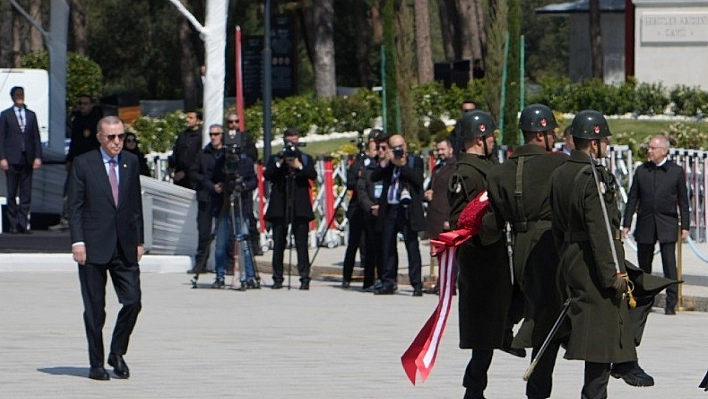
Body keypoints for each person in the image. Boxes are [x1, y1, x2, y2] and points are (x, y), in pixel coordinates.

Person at [549, 110, 636, 399]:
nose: (607, 145)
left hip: (570, 257)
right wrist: (613, 275)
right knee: (600, 338)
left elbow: (557, 225)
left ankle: (627, 363)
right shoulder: (593, 176)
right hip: (594, 264)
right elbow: (601, 231)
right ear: (595, 142)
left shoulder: (560, 171)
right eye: (605, 140)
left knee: (594, 334)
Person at [486, 104, 568, 399]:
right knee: (550, 320)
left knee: (541, 311)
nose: (555, 136)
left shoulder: (500, 172)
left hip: (518, 245)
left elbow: (491, 222)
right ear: (542, 133)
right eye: (552, 131)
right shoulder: (559, 164)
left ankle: (515, 333)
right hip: (550, 246)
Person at [67, 116, 144, 381]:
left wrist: (139, 241)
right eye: (111, 137)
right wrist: (78, 242)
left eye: (121, 136)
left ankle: (117, 352)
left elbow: (135, 205)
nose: (117, 142)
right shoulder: (83, 163)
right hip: (93, 246)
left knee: (133, 300)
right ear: (100, 137)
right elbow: (74, 206)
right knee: (95, 309)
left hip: (124, 245)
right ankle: (96, 363)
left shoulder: (131, 162)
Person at [447, 110, 512, 399]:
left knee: (494, 324)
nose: (494, 141)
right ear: (478, 138)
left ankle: (475, 384)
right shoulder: (466, 172)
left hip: (494, 254)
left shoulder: (487, 167)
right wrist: (495, 223)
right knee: (483, 331)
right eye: (490, 136)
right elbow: (460, 219)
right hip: (479, 258)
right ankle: (474, 388)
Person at [622, 134, 690, 316]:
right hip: (646, 223)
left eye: (653, 148)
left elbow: (683, 201)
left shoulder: (675, 171)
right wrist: (626, 223)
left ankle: (671, 303)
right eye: (649, 147)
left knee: (669, 264)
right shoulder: (642, 170)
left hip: (667, 223)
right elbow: (633, 198)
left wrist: (685, 226)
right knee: (644, 266)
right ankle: (644, 301)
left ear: (664, 151)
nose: (649, 151)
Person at [371, 134, 426, 296]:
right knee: (388, 246)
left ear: (405, 145)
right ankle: (389, 282)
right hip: (390, 208)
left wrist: (402, 165)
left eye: (400, 146)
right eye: (394, 147)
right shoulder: (388, 164)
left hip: (407, 209)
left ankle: (416, 283)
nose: (398, 150)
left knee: (411, 246)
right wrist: (386, 163)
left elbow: (418, 181)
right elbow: (374, 177)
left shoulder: (414, 161)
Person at [205, 126, 258, 290]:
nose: (232, 156)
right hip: (224, 203)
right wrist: (216, 187)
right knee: (220, 243)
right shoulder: (220, 161)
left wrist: (243, 185)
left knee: (243, 240)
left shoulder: (247, 162)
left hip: (240, 203)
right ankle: (219, 276)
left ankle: (249, 276)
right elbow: (209, 178)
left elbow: (253, 181)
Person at [264, 128, 317, 290]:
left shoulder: (305, 158)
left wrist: (298, 165)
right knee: (279, 242)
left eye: (294, 141)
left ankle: (304, 277)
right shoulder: (276, 158)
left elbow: (312, 175)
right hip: (280, 205)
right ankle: (277, 277)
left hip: (299, 206)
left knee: (301, 243)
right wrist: (281, 163)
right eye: (289, 141)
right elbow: (268, 175)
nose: (291, 145)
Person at [50, 95, 105, 232]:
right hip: (76, 161)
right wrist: (69, 159)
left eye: (85, 104)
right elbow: (74, 142)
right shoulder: (77, 120)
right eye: (80, 103)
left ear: (92, 105)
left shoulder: (97, 121)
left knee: (92, 192)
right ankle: (66, 219)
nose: (82, 106)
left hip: (92, 162)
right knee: (70, 191)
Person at [0, 86, 42, 234]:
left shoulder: (31, 115)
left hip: (27, 158)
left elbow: (36, 137)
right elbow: (1, 138)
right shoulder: (6, 115)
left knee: (26, 193)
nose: (20, 97)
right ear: (12, 97)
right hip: (12, 158)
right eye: (17, 95)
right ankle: (12, 224)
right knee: (12, 192)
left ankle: (22, 224)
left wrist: (37, 156)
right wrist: (2, 157)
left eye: (22, 94)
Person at [188, 124, 226, 274]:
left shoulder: (227, 153)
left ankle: (226, 264)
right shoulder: (203, 153)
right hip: (206, 196)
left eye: (216, 134)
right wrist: (208, 183)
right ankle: (201, 264)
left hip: (223, 197)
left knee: (225, 232)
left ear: (222, 135)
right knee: (204, 232)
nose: (213, 137)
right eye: (211, 134)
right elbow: (193, 172)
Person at [357, 133, 391, 291]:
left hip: (387, 211)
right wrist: (370, 207)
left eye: (384, 148)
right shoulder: (368, 167)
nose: (381, 151)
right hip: (371, 212)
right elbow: (361, 189)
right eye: (379, 148)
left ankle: (387, 278)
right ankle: (370, 280)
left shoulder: (391, 166)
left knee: (387, 248)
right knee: (371, 247)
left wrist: (382, 207)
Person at [224, 111, 261, 255]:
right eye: (230, 122)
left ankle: (254, 244)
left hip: (244, 180)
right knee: (229, 217)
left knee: (247, 214)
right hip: (229, 180)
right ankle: (230, 249)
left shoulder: (246, 138)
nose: (233, 125)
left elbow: (253, 155)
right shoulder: (224, 139)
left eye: (236, 121)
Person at [422, 137, 456, 292]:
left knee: (449, 255)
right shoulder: (437, 168)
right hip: (436, 216)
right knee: (440, 254)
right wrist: (428, 194)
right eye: (438, 150)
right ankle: (441, 283)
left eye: (443, 149)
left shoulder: (455, 168)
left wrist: (450, 218)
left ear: (450, 149)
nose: (440, 153)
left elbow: (453, 196)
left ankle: (449, 284)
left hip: (446, 216)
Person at [341, 135, 371, 288]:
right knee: (353, 244)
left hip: (369, 208)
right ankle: (346, 276)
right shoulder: (356, 166)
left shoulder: (376, 166)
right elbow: (350, 183)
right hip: (356, 209)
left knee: (367, 245)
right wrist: (359, 177)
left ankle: (369, 277)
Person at [170, 110, 203, 189]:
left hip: (193, 177)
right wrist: (171, 167)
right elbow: (176, 152)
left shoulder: (201, 136)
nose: (187, 120)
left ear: (198, 121)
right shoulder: (183, 135)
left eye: (191, 118)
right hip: (179, 175)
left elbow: (199, 158)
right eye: (187, 117)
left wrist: (185, 172)